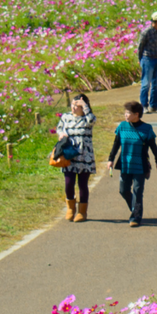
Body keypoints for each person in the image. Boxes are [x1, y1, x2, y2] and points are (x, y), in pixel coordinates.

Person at [109, 100, 157, 228]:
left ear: (136, 114)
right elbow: (116, 144)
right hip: (125, 164)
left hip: (140, 165)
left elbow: (153, 146)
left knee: (138, 190)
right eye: (125, 113)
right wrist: (110, 159)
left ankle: (136, 217)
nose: (125, 115)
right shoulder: (122, 126)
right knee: (123, 190)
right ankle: (134, 208)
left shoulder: (146, 128)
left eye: (128, 113)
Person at [53, 91, 96, 222]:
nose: (74, 107)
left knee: (83, 184)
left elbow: (92, 120)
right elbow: (59, 128)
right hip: (69, 154)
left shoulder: (87, 118)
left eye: (77, 105)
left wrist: (85, 107)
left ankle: (82, 212)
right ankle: (71, 208)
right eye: (73, 104)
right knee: (69, 182)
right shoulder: (66, 117)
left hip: (84, 155)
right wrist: (61, 134)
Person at [136, 12, 157, 113]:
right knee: (145, 84)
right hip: (147, 59)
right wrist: (141, 60)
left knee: (156, 84)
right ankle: (143, 105)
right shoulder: (146, 32)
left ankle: (154, 105)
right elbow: (140, 47)